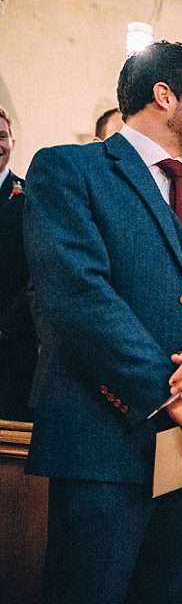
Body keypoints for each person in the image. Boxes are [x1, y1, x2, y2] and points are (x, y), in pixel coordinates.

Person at [22, 41, 182, 603]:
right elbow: (77, 297)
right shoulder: (68, 169)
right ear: (163, 95)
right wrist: (172, 395)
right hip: (104, 437)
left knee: (169, 592)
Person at [0, 104, 37, 422]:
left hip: (11, 342)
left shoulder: (29, 198)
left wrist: (5, 324)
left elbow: (38, 271)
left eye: (1, 135)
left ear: (12, 140)